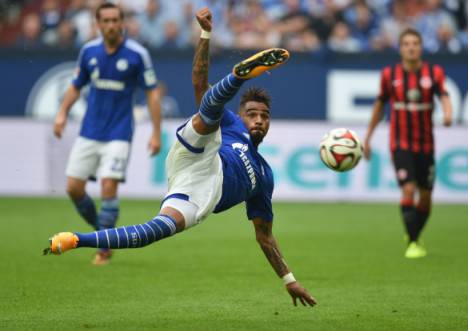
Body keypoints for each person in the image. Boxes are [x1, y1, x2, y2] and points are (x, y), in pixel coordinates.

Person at [45, 7, 316, 307]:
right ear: (241, 115)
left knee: (154, 231)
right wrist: (206, 35)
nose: (258, 120)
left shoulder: (264, 176)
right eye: (252, 114)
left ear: (270, 123)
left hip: (202, 192)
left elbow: (264, 237)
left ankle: (76, 240)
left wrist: (289, 280)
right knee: (209, 112)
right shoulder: (234, 125)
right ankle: (236, 78)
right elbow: (200, 84)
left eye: (264, 116)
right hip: (200, 154)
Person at [53, 2, 161, 265]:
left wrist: (156, 132)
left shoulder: (137, 54)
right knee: (73, 188)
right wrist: (62, 113)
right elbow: (76, 85)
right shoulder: (88, 51)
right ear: (98, 24)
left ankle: (103, 249)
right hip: (89, 131)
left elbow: (152, 92)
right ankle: (104, 234)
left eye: (116, 20)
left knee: (108, 186)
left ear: (122, 22)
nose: (111, 25)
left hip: (119, 133)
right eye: (106, 21)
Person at [363, 28, 452, 259]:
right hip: (400, 143)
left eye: (415, 43)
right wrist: (368, 138)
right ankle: (413, 242)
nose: (411, 47)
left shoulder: (434, 72)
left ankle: (414, 232)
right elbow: (379, 106)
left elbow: (444, 95)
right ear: (401, 48)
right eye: (406, 44)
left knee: (425, 197)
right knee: (408, 189)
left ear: (420, 47)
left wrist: (448, 113)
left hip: (426, 145)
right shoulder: (389, 74)